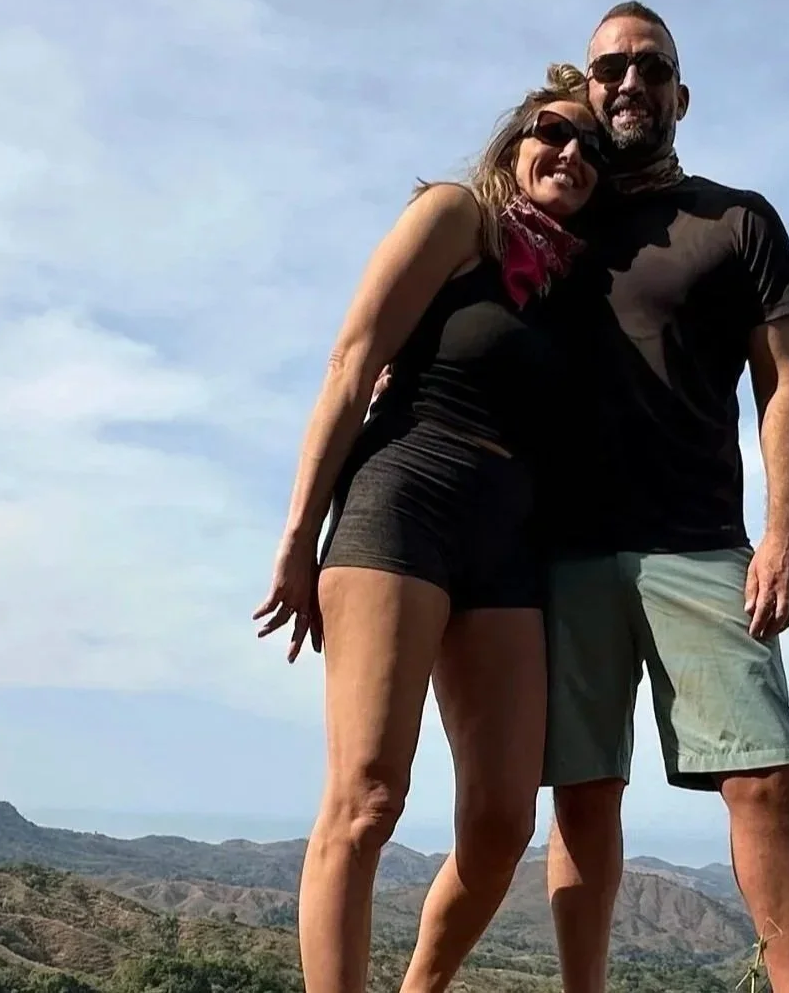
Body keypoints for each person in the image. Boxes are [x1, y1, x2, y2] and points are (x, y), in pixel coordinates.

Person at [252, 64, 611, 993]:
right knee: (367, 800)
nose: (569, 152)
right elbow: (351, 360)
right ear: (512, 142)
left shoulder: (581, 288)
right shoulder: (459, 217)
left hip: (510, 540)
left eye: (591, 146)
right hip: (402, 499)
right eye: (550, 131)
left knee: (500, 826)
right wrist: (298, 536)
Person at [533, 1, 789, 993]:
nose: (628, 82)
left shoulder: (738, 220)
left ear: (679, 94)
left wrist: (785, 531)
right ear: (584, 84)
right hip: (563, 550)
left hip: (702, 542)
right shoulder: (545, 222)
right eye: (610, 65)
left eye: (649, 67)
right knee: (581, 796)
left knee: (765, 781)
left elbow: (781, 383)